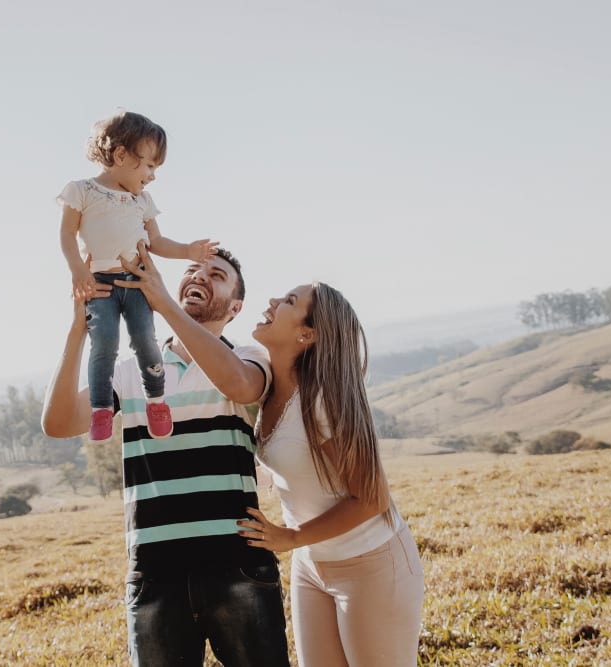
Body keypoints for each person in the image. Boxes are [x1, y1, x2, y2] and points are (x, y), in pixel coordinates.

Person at [119, 246, 425, 666]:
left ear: (307, 334)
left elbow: (371, 498)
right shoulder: (269, 385)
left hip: (369, 565)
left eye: (289, 303)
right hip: (312, 566)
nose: (272, 303)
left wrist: (292, 537)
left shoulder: (323, 402)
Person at [41, 247, 291, 666]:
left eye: (217, 274)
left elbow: (241, 388)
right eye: (194, 269)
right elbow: (59, 423)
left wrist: (164, 305)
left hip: (237, 566)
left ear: (235, 306)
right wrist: (78, 328)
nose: (201, 276)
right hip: (155, 573)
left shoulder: (248, 357)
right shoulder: (127, 371)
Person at [58, 110, 217, 442]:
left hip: (136, 282)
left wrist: (188, 250)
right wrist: (76, 270)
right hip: (100, 284)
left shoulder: (142, 201)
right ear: (120, 156)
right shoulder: (81, 191)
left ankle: (156, 401)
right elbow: (67, 236)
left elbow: (156, 242)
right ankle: (101, 410)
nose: (152, 176)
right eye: (149, 166)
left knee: (145, 340)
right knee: (104, 345)